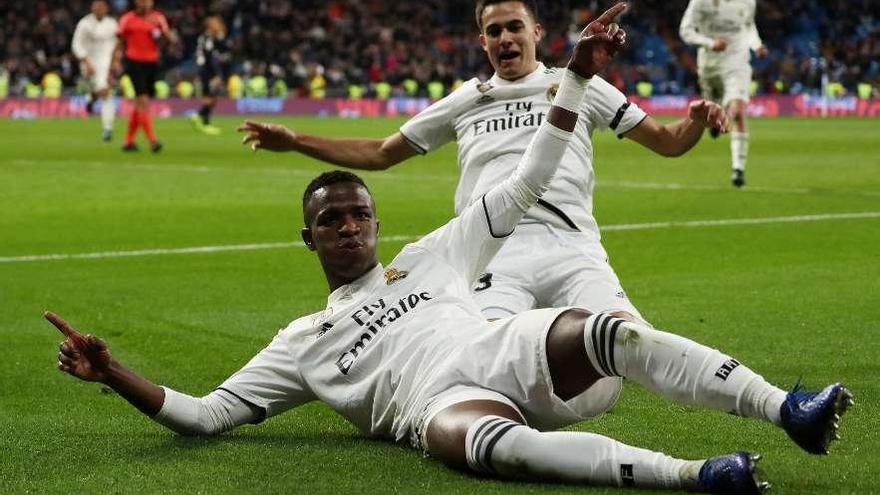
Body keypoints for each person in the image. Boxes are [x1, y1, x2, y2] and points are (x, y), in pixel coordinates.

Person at [50, 9, 851, 493]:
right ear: (309, 238)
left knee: (610, 334)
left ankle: (788, 410)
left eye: (358, 215)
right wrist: (113, 372)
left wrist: (572, 81)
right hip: (437, 404)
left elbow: (533, 174)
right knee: (488, 448)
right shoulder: (302, 342)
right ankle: (698, 473)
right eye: (332, 221)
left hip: (520, 312)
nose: (350, 226)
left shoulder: (433, 252)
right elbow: (206, 414)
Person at [237, 0, 728, 338]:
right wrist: (296, 140)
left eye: (515, 26)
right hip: (491, 251)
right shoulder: (467, 99)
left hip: (571, 243)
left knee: (630, 337)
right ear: (483, 41)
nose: (505, 37)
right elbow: (382, 153)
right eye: (494, 31)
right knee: (490, 355)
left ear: (535, 33)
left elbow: (666, 143)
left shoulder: (579, 83)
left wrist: (694, 123)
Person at [679, 0, 767, 187]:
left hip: (737, 61)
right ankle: (716, 122)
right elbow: (685, 31)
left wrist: (756, 44)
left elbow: (748, 26)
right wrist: (710, 43)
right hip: (709, 65)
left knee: (738, 110)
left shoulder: (748, 2)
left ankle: (738, 169)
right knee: (712, 109)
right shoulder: (700, 2)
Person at [115, 0, 176, 152]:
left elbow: (170, 39)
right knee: (143, 101)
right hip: (134, 62)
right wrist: (116, 60)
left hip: (152, 63)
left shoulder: (158, 18)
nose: (145, 4)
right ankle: (153, 141)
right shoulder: (127, 19)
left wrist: (162, 34)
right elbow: (120, 41)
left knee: (141, 103)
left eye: (148, 1)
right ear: (136, 2)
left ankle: (128, 141)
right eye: (142, 1)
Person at [71, 0, 118, 142]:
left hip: (106, 62)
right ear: (92, 7)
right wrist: (85, 61)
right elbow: (76, 44)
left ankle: (107, 129)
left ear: (106, 8)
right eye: (96, 6)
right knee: (101, 90)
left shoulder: (112, 24)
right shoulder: (84, 24)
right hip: (89, 61)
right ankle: (92, 97)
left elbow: (118, 45)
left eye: (101, 6)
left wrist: (115, 62)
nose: (98, 9)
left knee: (105, 92)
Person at [190, 15, 231, 136]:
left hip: (206, 69)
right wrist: (216, 75)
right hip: (208, 70)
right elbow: (208, 56)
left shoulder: (208, 38)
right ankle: (198, 117)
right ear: (210, 26)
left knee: (213, 97)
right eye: (216, 24)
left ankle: (205, 123)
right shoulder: (207, 38)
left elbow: (223, 48)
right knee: (210, 97)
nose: (218, 26)